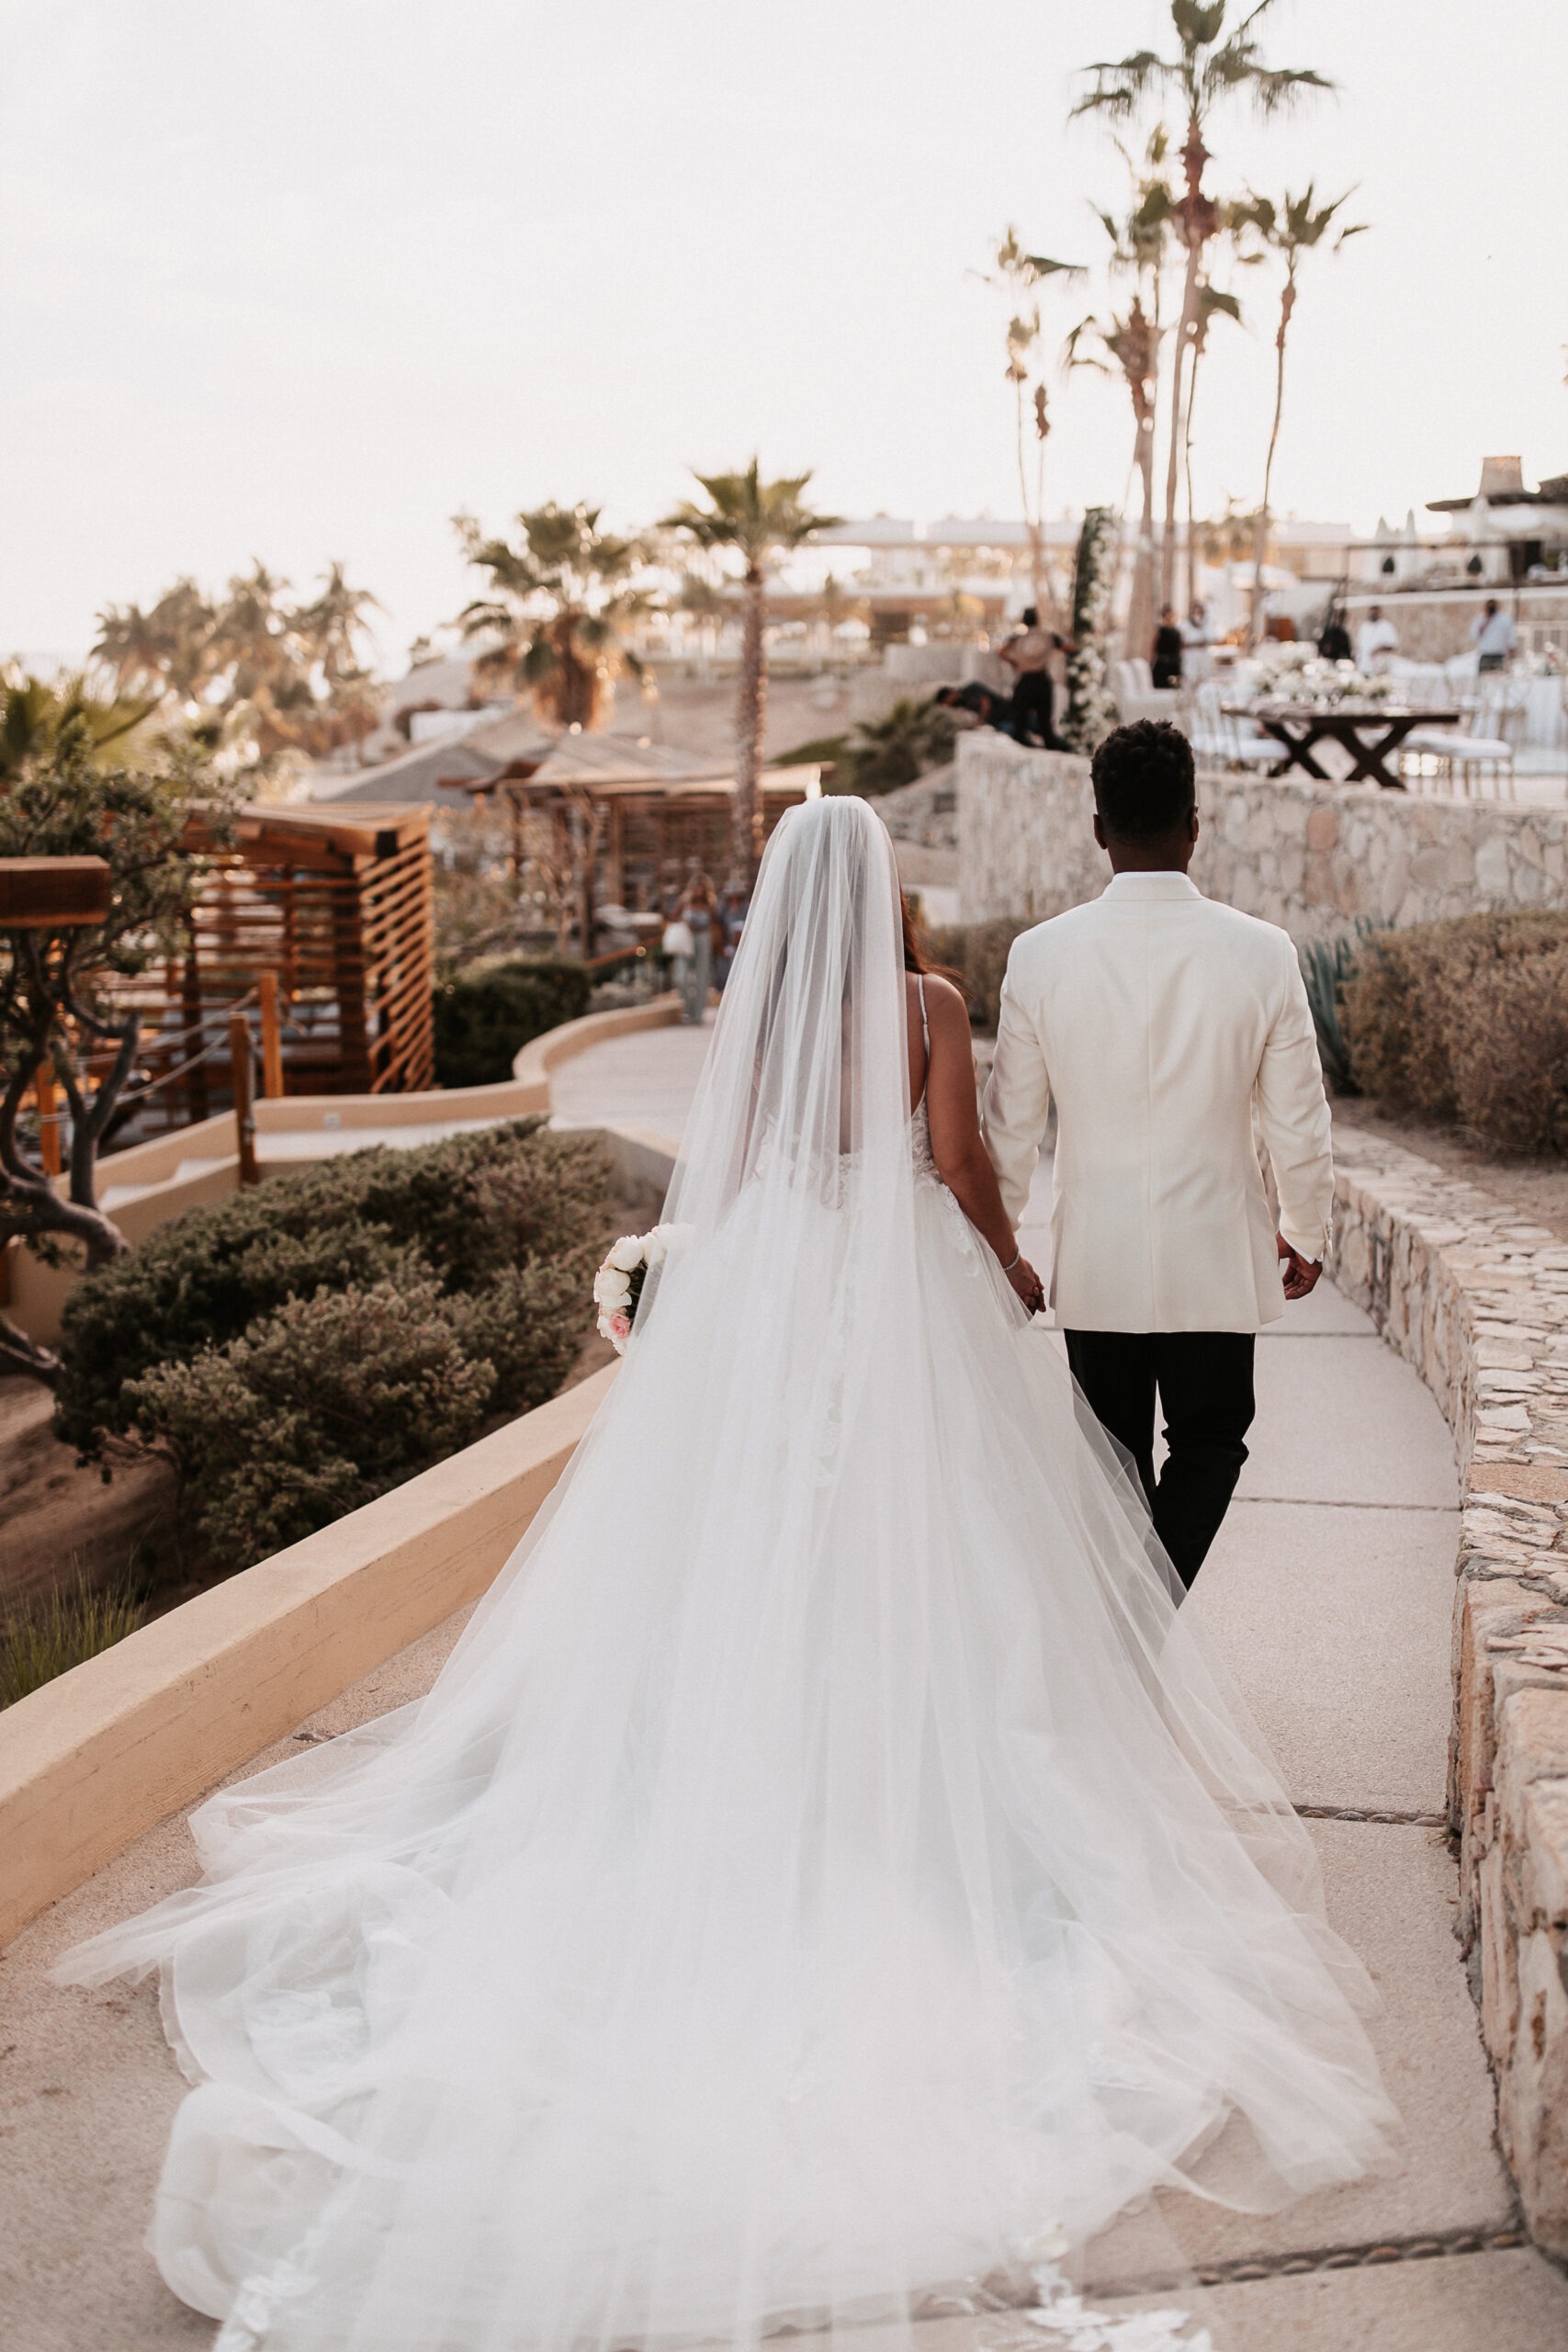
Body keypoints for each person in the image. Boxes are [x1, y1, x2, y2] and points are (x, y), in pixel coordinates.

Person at [58, 797, 1394, 2350]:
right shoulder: (926, 1006)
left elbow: (737, 1169)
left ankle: (728, 1767)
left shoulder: (759, 1013)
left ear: (777, 895)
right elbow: (958, 1163)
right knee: (940, 1554)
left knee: (746, 1548)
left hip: (779, 1294)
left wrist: (714, 1289)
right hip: (897, 1307)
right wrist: (1009, 1268)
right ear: (881, 885)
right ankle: (911, 1791)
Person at [983, 719, 1332, 1590]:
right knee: (1211, 1443)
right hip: (1214, 1253)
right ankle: (1138, 1639)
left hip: (1095, 1257)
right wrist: (1306, 1227)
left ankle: (1124, 1642)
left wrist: (1001, 1249)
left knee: (1112, 1468)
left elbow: (1009, 1129)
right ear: (1195, 823)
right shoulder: (1261, 952)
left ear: (1098, 827)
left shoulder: (1039, 956)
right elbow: (1298, 1116)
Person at [997, 605, 1068, 748]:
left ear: (1023, 621)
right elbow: (1069, 647)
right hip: (1042, 679)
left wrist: (1016, 662)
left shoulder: (1017, 638)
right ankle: (1052, 747)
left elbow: (1001, 652)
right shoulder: (1048, 636)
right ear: (1038, 620)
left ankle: (1025, 747)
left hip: (1025, 679)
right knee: (1045, 722)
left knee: (1019, 721)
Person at [671, 868, 721, 1023]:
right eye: (697, 886)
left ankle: (698, 1014)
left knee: (702, 977)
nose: (699, 890)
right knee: (682, 977)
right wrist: (683, 923)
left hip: (703, 939)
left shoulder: (711, 903)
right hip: (687, 938)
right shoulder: (684, 901)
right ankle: (689, 1009)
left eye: (702, 887)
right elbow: (673, 917)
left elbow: (716, 924)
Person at [1470, 595, 1517, 673]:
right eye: (1489, 605)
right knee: (1483, 681)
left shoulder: (1504, 620)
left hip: (1499, 655)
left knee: (1498, 680)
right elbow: (1474, 636)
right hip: (1485, 655)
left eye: (1493, 605)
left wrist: (1511, 655)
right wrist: (1484, 624)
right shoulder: (1480, 619)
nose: (1491, 607)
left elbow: (1511, 638)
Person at [1355, 605, 1399, 673]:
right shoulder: (1364, 626)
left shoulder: (1386, 626)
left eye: (1375, 613)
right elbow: (1360, 645)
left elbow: (1392, 645)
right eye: (1371, 612)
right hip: (1364, 665)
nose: (1373, 614)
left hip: (1380, 664)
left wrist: (1379, 649)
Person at [1151, 604, 1184, 689]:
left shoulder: (1177, 631)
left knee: (1176, 686)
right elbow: (1153, 646)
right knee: (1161, 686)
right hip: (1162, 663)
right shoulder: (1160, 630)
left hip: (1174, 663)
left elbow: (1180, 646)